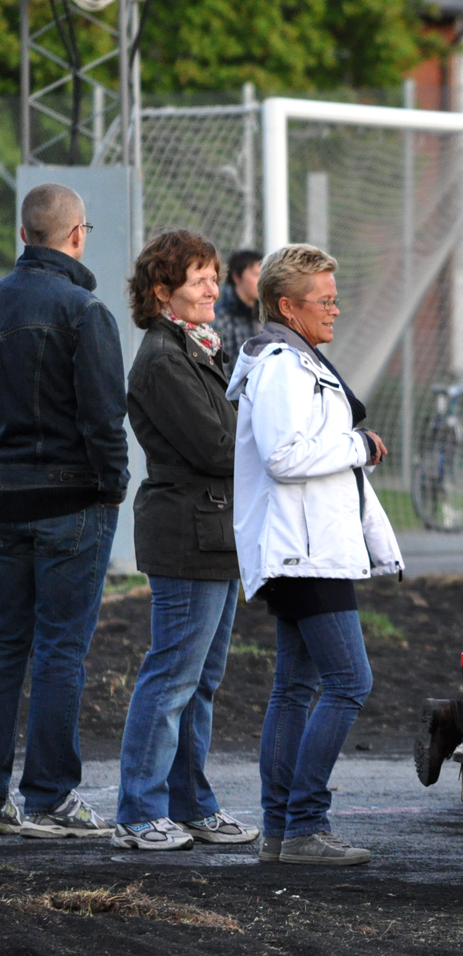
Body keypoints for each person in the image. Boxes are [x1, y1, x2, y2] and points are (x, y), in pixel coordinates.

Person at [226, 243, 404, 866]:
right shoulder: (281, 366)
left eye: (334, 297)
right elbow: (283, 457)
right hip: (303, 553)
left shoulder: (292, 360)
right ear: (287, 307)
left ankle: (282, 832)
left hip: (305, 549)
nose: (335, 309)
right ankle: (303, 825)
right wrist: (357, 446)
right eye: (323, 300)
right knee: (350, 682)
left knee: (295, 689)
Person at [111, 230, 259, 851]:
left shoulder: (199, 348)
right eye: (198, 279)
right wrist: (268, 434)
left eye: (213, 277)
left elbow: (229, 439)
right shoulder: (165, 359)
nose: (211, 290)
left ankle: (192, 806)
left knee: (199, 682)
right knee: (172, 677)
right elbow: (219, 446)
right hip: (186, 535)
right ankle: (137, 813)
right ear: (162, 292)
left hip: (215, 532)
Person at [0, 183, 128, 839]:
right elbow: (104, 416)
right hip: (72, 501)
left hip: (5, 499)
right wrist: (113, 485)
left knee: (5, 648)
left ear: (25, 235)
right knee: (59, 652)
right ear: (77, 235)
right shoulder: (84, 310)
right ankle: (49, 797)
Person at [213, 249, 263, 362]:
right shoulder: (220, 318)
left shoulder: (265, 315)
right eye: (256, 274)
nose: (261, 280)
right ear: (236, 277)